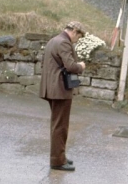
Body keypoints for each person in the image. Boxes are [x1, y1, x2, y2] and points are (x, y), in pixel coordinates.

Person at [39, 21, 87, 172]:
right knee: (60, 126)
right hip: (59, 90)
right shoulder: (64, 43)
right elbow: (70, 66)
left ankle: (60, 157)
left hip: (51, 88)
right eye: (78, 36)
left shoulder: (53, 40)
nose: (77, 39)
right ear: (74, 31)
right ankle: (58, 161)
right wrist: (81, 66)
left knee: (58, 124)